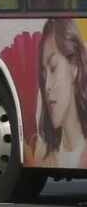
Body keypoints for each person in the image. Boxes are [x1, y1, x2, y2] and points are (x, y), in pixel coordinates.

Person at [30, 18, 87, 168]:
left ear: (74, 65)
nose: (47, 86)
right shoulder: (44, 152)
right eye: (44, 75)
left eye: (53, 68)